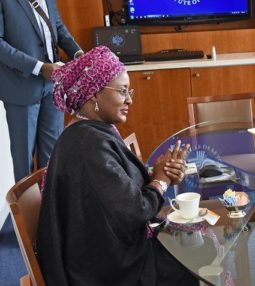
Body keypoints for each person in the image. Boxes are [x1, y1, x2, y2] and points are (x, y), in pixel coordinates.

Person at [37, 46, 197, 285]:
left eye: (129, 91)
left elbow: (114, 191)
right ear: (93, 95)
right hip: (107, 271)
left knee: (191, 241)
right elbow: (134, 210)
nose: (130, 100)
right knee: (193, 258)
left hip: (101, 252)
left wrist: (157, 173)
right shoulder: (89, 145)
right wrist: (161, 181)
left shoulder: (89, 132)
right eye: (122, 92)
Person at [0, 0, 84, 181]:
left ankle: (50, 206)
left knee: (53, 157)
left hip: (53, 86)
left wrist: (78, 54)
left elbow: (58, 27)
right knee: (24, 165)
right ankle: (26, 209)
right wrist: (39, 67)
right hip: (20, 88)